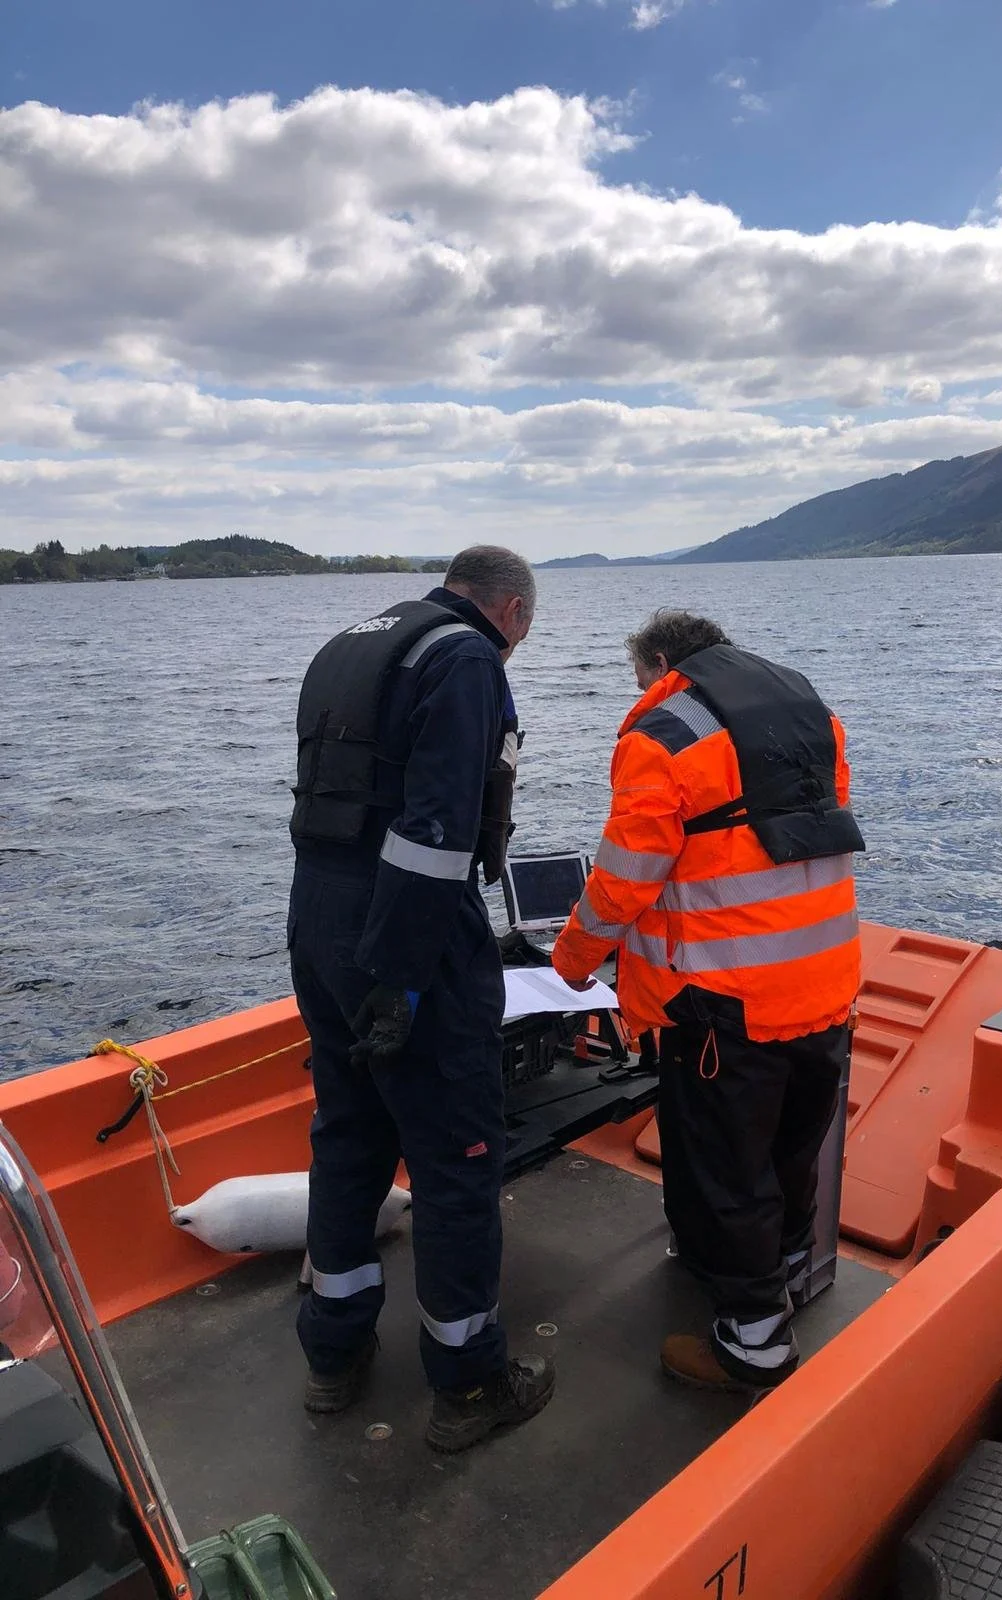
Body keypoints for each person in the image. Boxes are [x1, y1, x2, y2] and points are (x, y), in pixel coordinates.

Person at [552, 609, 864, 1392]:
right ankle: (787, 1276)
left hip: (724, 1003)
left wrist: (574, 957)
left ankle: (754, 1344)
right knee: (792, 1150)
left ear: (661, 662)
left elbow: (627, 873)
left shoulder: (663, 734)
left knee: (726, 1169)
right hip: (824, 984)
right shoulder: (809, 711)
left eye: (639, 679)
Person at [287, 544, 555, 1452]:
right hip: (404, 933)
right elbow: (436, 832)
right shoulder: (466, 655)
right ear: (511, 611)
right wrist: (402, 980)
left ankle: (332, 1357)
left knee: (349, 1135)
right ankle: (470, 1384)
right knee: (455, 1161)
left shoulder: (352, 642)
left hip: (316, 920)